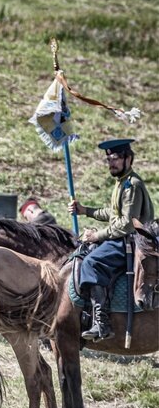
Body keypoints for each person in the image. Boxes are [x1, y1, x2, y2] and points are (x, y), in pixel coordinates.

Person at [68, 138, 154, 341]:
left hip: (131, 242)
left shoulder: (131, 185)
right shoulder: (122, 183)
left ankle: (101, 323)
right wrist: (85, 211)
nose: (111, 164)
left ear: (128, 159)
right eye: (108, 160)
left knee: (91, 262)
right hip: (122, 237)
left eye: (115, 159)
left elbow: (126, 224)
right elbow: (114, 213)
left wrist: (97, 235)